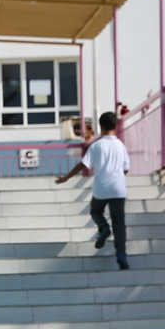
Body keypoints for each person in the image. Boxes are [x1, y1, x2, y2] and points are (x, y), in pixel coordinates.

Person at [56, 111, 132, 270]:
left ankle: (103, 227)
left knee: (96, 211)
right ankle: (121, 254)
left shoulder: (96, 145)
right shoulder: (121, 146)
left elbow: (83, 164)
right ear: (116, 126)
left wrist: (67, 177)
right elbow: (126, 169)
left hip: (101, 188)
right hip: (118, 189)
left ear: (101, 126)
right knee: (119, 223)